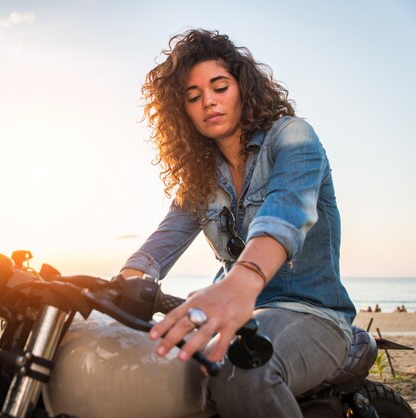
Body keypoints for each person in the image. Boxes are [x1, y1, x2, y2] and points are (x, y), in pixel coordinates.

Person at [120, 29, 355, 417]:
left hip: (313, 314)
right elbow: (160, 245)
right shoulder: (199, 178)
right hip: (234, 316)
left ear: (243, 87)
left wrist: (243, 278)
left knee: (238, 368)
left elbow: (286, 213)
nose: (208, 101)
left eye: (219, 87)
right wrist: (122, 283)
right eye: (193, 97)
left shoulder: (292, 137)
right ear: (184, 113)